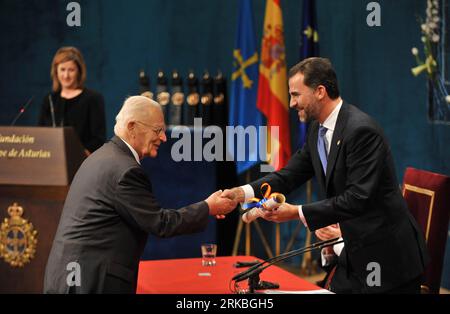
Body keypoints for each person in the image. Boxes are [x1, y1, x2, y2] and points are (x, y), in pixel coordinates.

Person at [222, 57, 428, 293]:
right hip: (353, 257)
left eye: (296, 95)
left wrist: (297, 213)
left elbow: (357, 198)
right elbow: (288, 176)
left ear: (320, 91)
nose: (291, 103)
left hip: (387, 263)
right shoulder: (317, 130)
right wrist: (241, 193)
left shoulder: (361, 131)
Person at [43, 96, 237, 294]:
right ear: (132, 126)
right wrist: (208, 207)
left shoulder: (101, 157)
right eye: (157, 130)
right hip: (90, 280)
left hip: (70, 274)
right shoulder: (125, 170)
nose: (164, 137)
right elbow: (160, 223)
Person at [38, 46, 106, 155]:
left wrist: (78, 154)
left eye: (71, 70)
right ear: (56, 71)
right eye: (62, 69)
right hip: (51, 161)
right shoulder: (49, 99)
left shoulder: (93, 98)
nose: (66, 75)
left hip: (82, 164)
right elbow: (40, 134)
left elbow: (98, 139)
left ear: (79, 71)